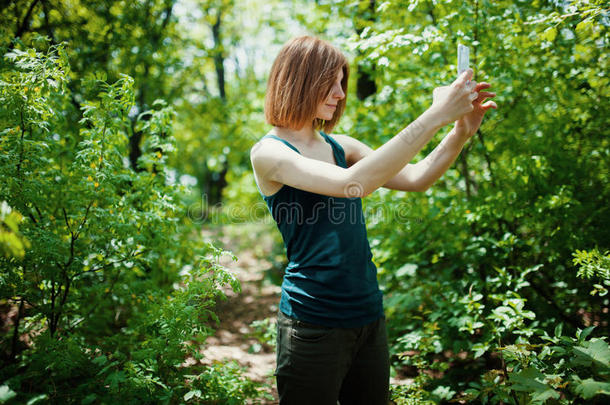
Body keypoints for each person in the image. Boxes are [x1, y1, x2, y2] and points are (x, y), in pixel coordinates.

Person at [249, 36, 497, 405]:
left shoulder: (340, 146)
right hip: (312, 321)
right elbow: (354, 184)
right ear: (299, 80)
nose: (339, 93)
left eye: (342, 82)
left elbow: (416, 178)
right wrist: (435, 115)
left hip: (367, 312)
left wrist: (459, 131)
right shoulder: (269, 152)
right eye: (329, 82)